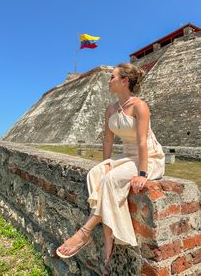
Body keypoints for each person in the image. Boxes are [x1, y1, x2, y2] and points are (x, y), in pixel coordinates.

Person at [56, 63, 165, 270]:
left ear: (124, 81)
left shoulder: (139, 106)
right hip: (127, 156)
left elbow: (142, 142)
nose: (109, 81)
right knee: (96, 174)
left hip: (149, 157)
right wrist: (106, 163)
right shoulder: (111, 109)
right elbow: (108, 140)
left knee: (111, 180)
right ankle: (108, 231)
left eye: (112, 77)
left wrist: (142, 173)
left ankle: (85, 233)